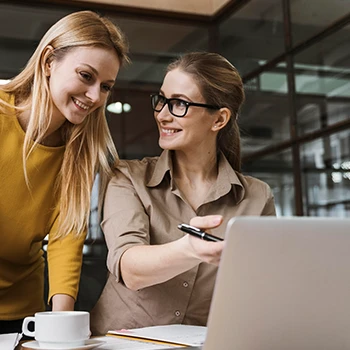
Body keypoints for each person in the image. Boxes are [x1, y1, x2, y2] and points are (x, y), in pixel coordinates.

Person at [90, 52, 276, 335]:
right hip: (122, 343)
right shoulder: (127, 177)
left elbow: (260, 288)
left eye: (179, 103)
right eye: (162, 100)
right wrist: (189, 249)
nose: (162, 114)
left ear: (219, 119)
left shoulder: (258, 197)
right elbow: (129, 267)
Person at [0, 10, 129, 334]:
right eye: (86, 76)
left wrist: (60, 326)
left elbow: (65, 238)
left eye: (106, 86)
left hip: (21, 309)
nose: (95, 96)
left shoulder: (81, 151)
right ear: (48, 62)